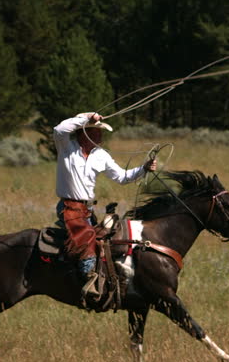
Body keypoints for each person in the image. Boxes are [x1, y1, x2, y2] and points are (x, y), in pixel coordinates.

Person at [53, 112, 156, 295]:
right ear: (84, 133)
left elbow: (122, 177)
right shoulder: (66, 146)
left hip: (87, 210)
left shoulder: (101, 155)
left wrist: (144, 169)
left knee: (106, 238)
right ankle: (88, 280)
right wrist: (86, 118)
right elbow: (59, 129)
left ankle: (103, 276)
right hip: (69, 208)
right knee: (87, 241)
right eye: (96, 132)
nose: (100, 136)